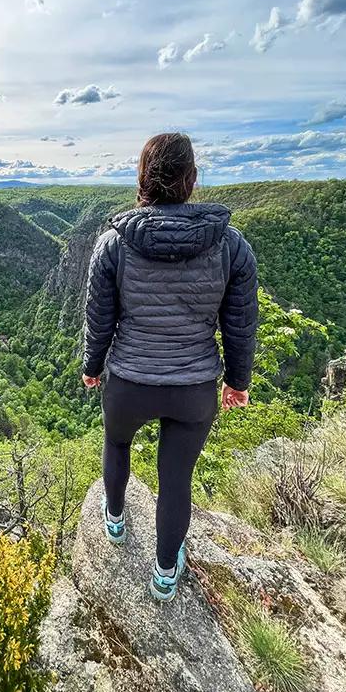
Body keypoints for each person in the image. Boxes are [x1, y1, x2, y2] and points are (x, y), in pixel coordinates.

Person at [82, 133, 258, 601]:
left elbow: (100, 317)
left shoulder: (113, 245)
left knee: (117, 442)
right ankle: (164, 574)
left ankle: (115, 520)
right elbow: (240, 324)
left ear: (142, 179)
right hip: (193, 387)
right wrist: (238, 382)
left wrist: (92, 366)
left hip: (129, 382)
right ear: (192, 181)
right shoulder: (231, 248)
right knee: (175, 477)